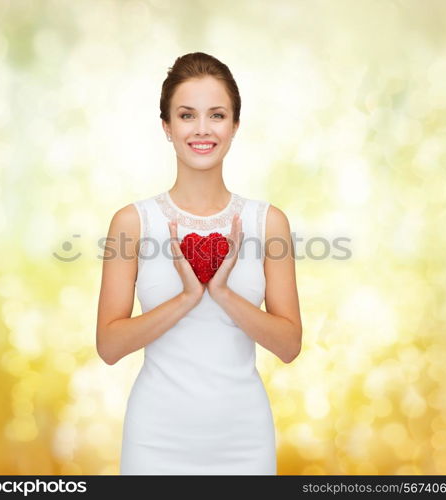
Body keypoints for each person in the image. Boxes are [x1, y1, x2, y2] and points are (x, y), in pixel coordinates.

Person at [96, 52, 302, 475]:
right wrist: (189, 297)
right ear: (167, 128)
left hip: (244, 439)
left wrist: (222, 294)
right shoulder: (132, 223)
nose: (203, 129)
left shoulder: (268, 222)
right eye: (187, 115)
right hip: (155, 438)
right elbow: (110, 346)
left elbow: (288, 345)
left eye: (217, 115)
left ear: (235, 126)